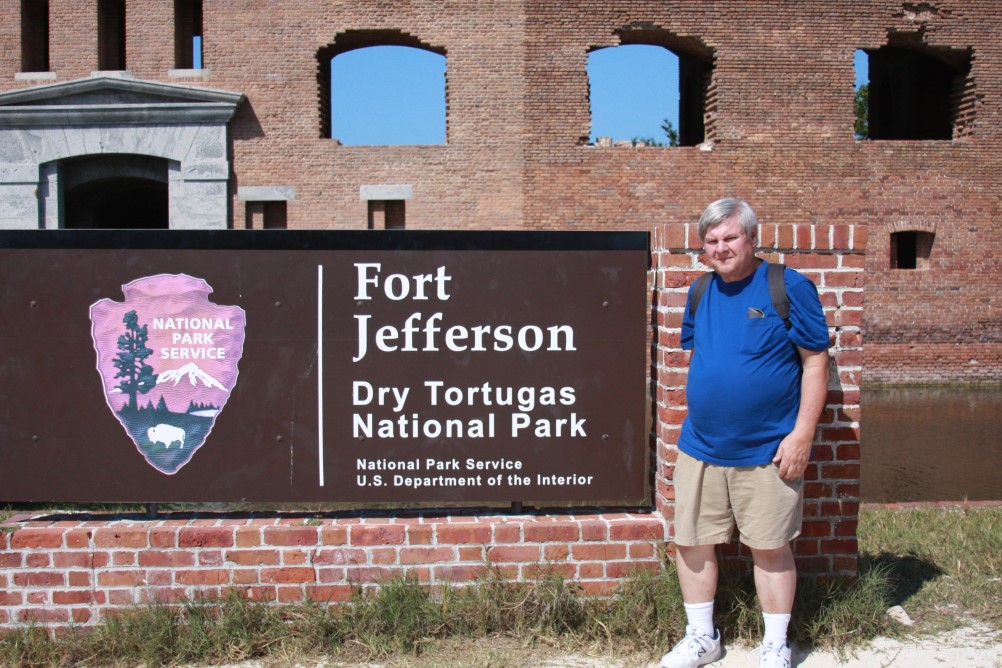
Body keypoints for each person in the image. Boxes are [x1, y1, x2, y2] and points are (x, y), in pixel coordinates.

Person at [660, 198, 831, 668]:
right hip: (702, 446)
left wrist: (802, 436)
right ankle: (702, 638)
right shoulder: (700, 292)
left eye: (730, 237)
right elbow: (704, 356)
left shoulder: (787, 287)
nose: (721, 247)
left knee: (771, 546)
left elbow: (816, 361)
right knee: (692, 542)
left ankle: (775, 644)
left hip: (768, 449)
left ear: (752, 238)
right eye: (712, 241)